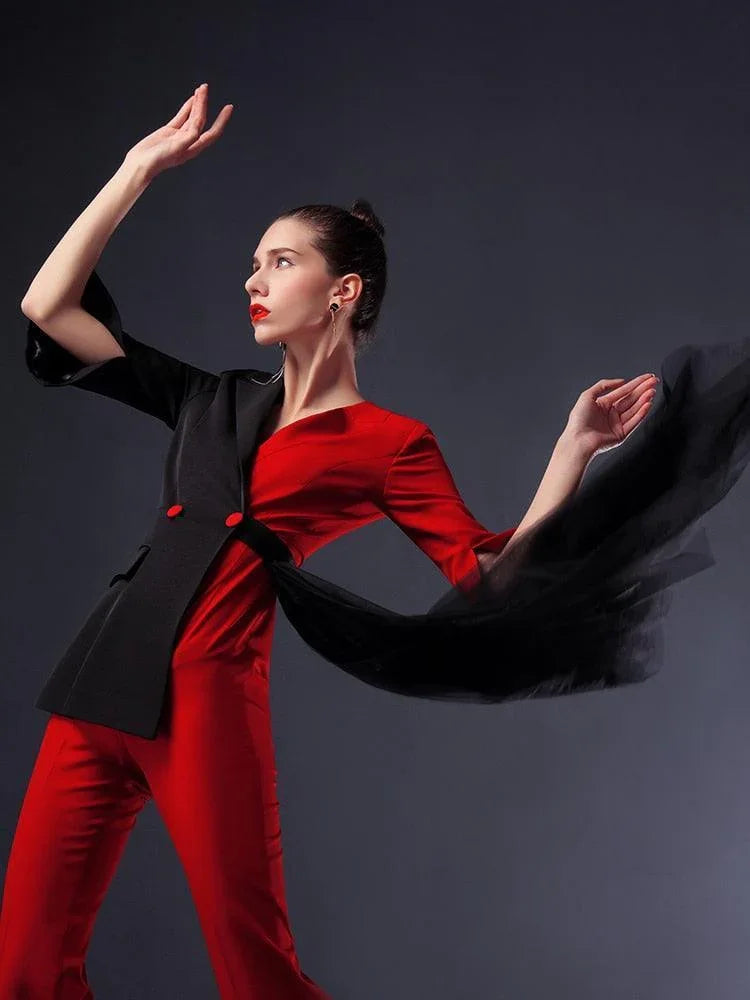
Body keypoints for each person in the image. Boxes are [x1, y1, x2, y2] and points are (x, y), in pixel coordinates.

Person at [3, 83, 750, 999]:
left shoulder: (391, 443)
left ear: (342, 290)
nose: (254, 281)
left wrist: (573, 451)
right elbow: (47, 306)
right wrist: (137, 169)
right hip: (98, 682)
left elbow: (487, 577)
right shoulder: (209, 399)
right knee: (27, 970)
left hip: (205, 703)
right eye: (253, 263)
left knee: (256, 973)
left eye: (279, 262)